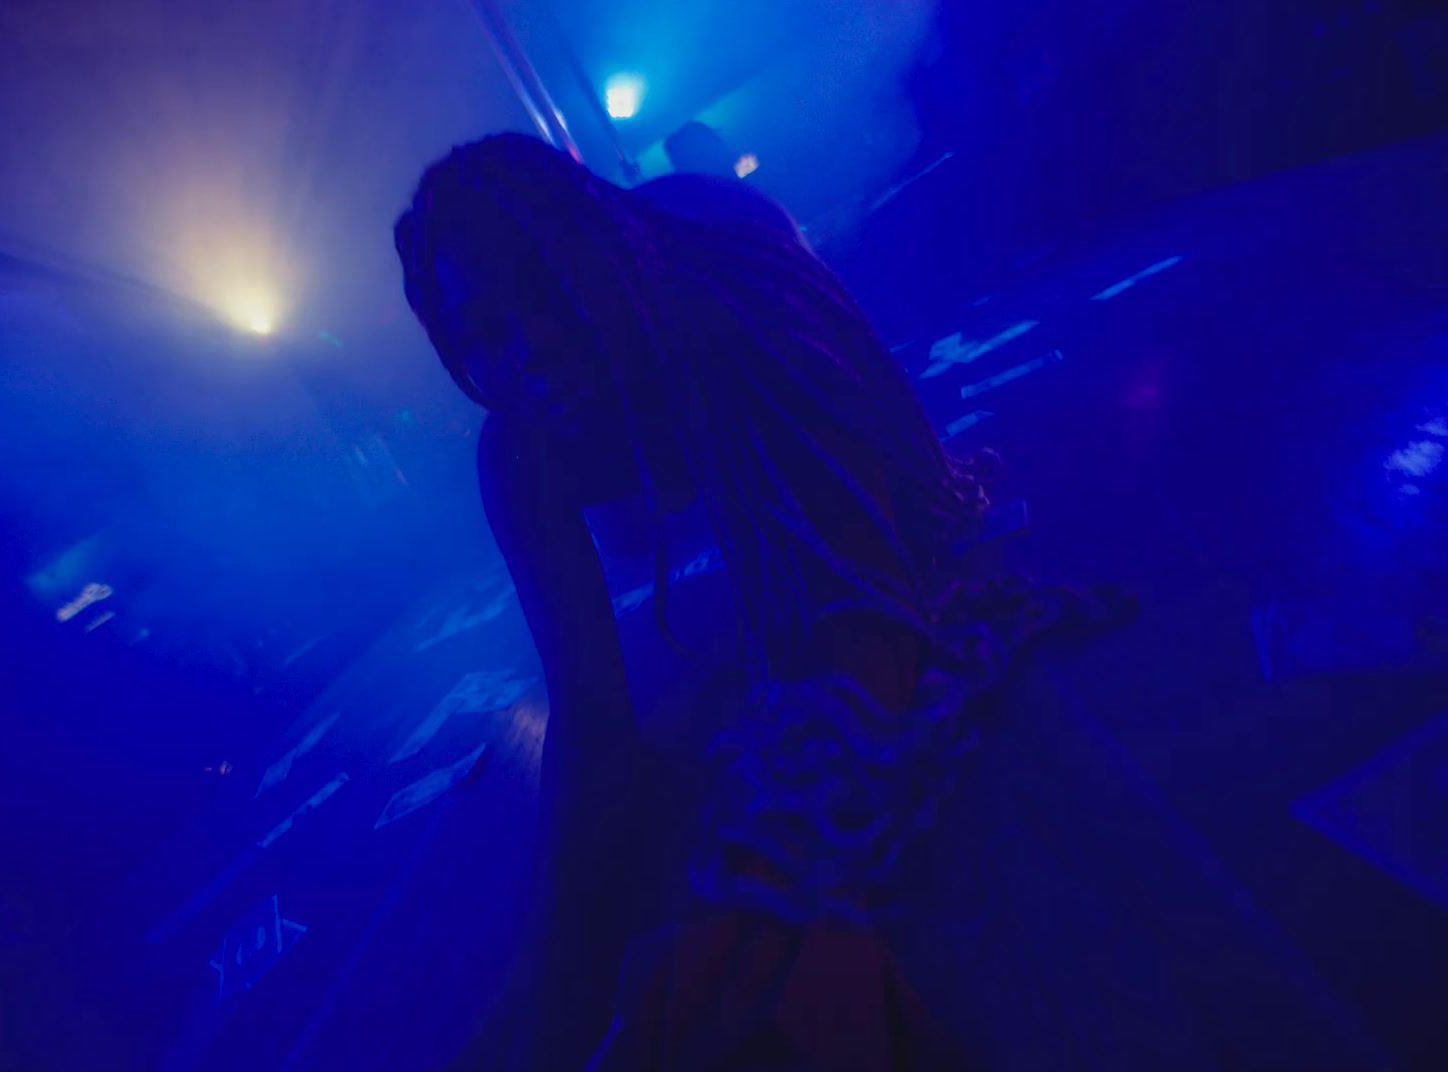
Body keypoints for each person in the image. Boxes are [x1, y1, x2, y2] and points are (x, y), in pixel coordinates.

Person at [393, 135, 1321, 1071]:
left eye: (547, 285)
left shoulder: (733, 312)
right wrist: (555, 1015)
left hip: (732, 280)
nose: (534, 348)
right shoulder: (520, 452)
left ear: (594, 252)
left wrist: (759, 888)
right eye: (486, 333)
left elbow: (870, 596)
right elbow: (592, 723)